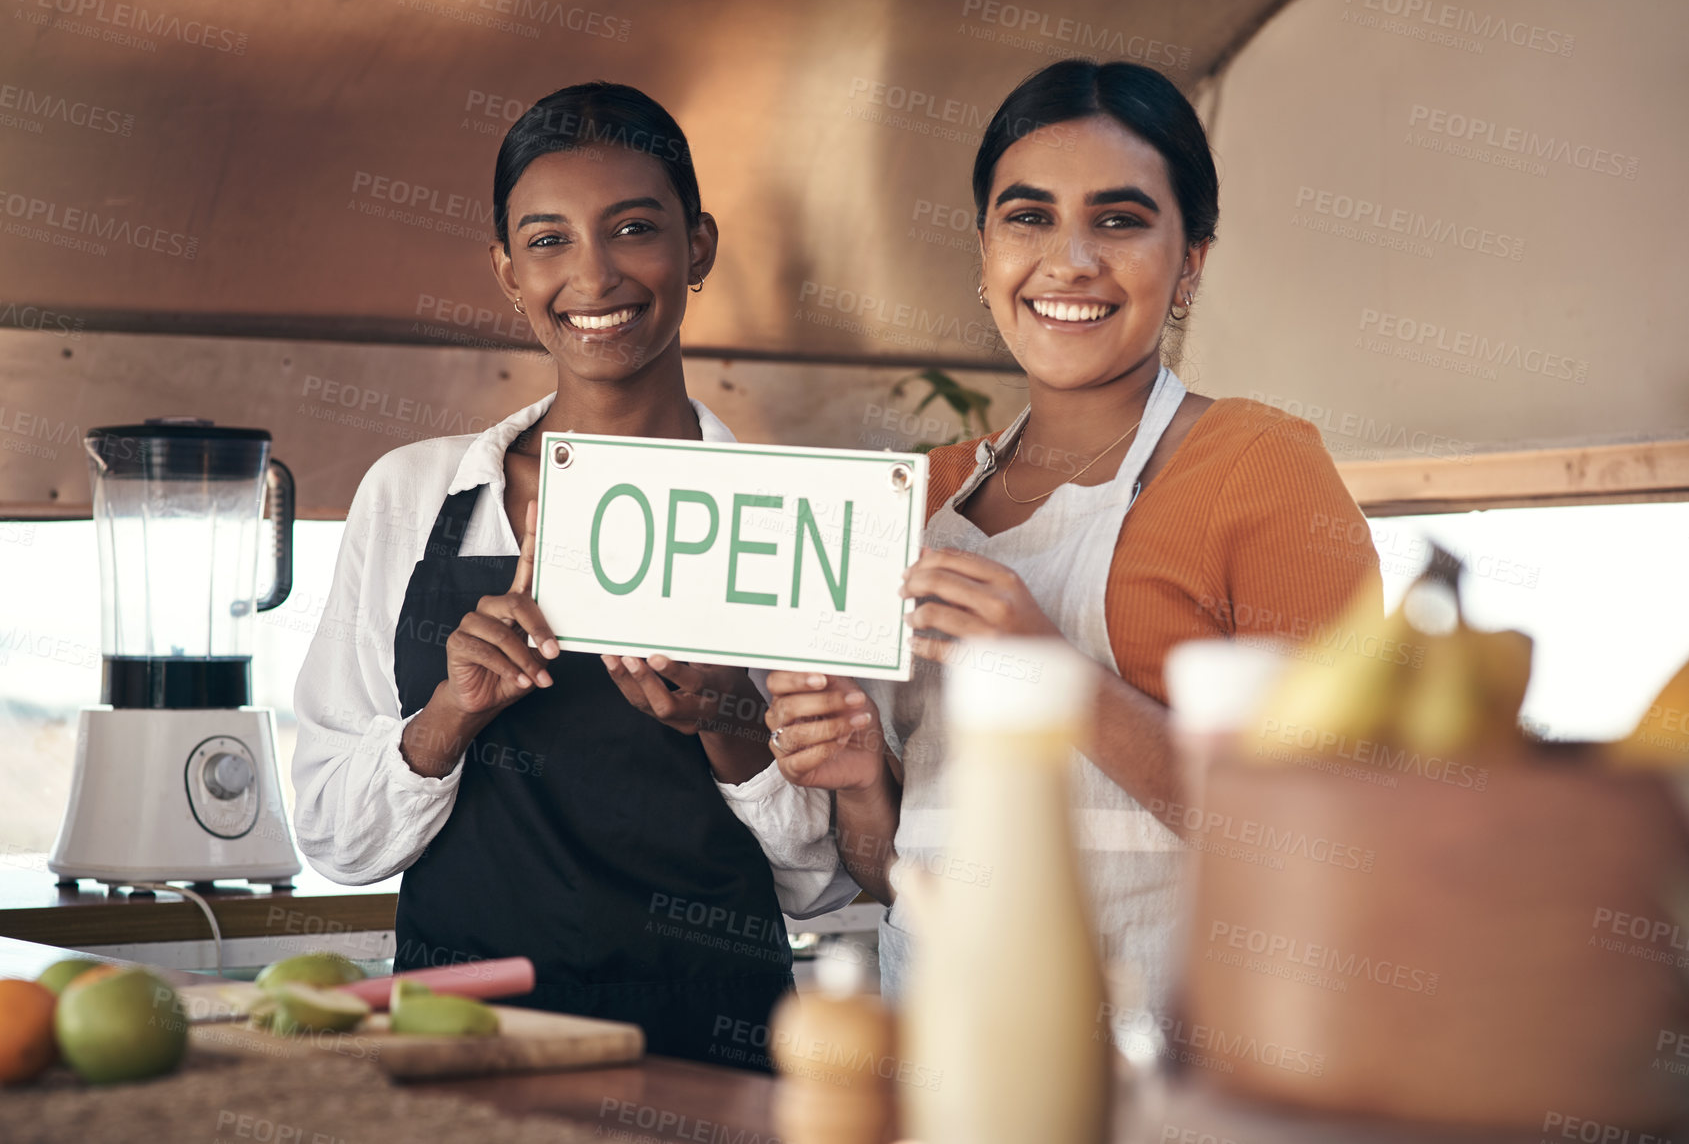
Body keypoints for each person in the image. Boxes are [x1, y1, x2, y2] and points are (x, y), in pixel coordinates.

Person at [748, 59, 1384, 1010]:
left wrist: (1055, 678)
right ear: (984, 252)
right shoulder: (921, 497)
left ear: (1190, 264)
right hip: (941, 1051)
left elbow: (1329, 839)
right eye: (1028, 216)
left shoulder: (1260, 464)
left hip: (1169, 1064)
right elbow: (892, 876)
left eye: (1119, 221)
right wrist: (855, 785)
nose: (1070, 261)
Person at [291, 82, 851, 1070]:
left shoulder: (786, 518)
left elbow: (829, 882)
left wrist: (728, 725)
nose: (594, 275)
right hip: (459, 1046)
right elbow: (337, 835)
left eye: (634, 228)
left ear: (699, 247)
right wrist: (446, 720)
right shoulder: (413, 494)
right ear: (507, 271)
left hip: (709, 1049)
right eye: (547, 240)